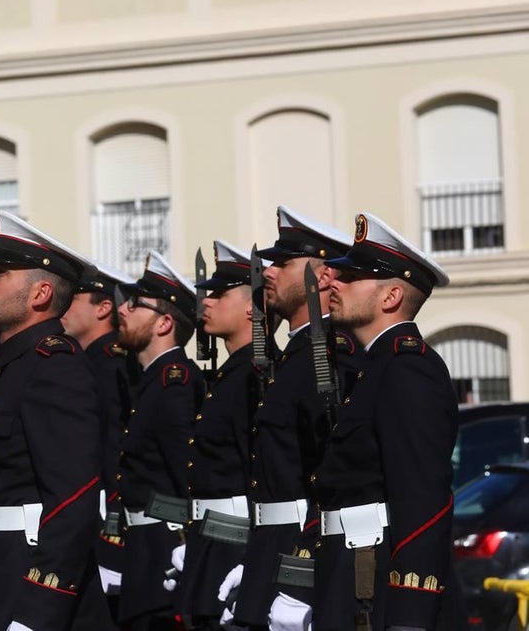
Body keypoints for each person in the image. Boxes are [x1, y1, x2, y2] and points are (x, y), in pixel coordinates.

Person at [296, 212, 461, 631]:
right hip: (348, 576)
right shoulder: (372, 370)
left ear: (389, 297)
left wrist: (410, 615)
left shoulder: (407, 370)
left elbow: (424, 501)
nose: (333, 282)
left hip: (379, 587)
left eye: (351, 277)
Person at [0, 210, 112, 631]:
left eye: (0, 274)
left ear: (40, 293)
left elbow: (72, 501)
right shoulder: (12, 368)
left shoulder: (53, 365)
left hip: (30, 584)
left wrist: (37, 612)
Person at [225, 207, 356, 629]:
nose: (268, 273)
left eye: (283, 263)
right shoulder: (293, 358)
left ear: (322, 278)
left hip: (301, 546)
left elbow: (333, 477)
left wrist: (302, 573)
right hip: (271, 545)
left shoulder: (331, 356)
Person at [115, 251, 200, 631]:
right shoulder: (151, 380)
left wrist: (186, 546)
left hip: (165, 555)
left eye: (136, 305)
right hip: (144, 553)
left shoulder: (174, 383)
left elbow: (186, 475)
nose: (123, 310)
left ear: (165, 322)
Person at [175, 241, 258, 628]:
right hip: (209, 540)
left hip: (234, 545)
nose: (205, 302)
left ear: (250, 307)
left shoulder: (253, 376)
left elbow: (258, 475)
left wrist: (250, 556)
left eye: (219, 295)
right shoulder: (227, 375)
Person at [60, 261, 137, 618]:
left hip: (111, 527)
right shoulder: (86, 361)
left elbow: (117, 451)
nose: (63, 306)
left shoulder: (108, 364)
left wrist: (113, 537)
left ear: (103, 307)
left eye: (73, 298)